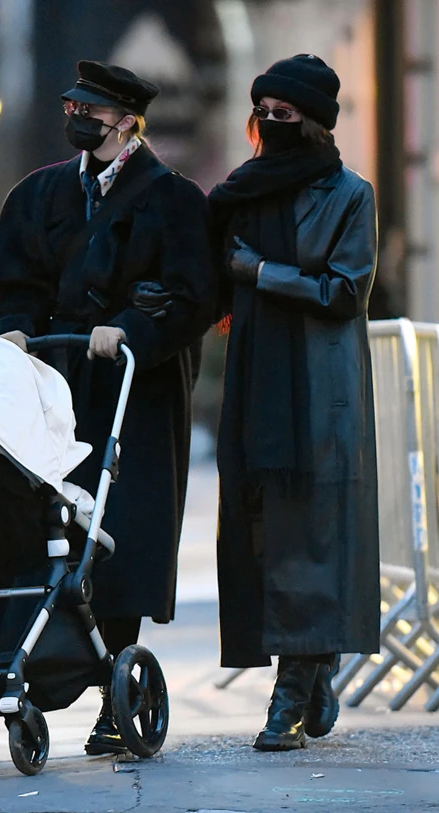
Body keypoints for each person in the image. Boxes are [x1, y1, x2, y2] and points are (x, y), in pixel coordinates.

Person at [0, 60, 214, 755]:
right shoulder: (39, 194)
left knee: (123, 525)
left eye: (91, 109)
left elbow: (192, 295)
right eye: (70, 105)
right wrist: (15, 327)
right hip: (53, 382)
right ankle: (40, 657)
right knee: (46, 520)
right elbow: (14, 280)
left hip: (130, 389)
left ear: (126, 120)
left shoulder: (172, 199)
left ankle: (117, 677)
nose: (77, 117)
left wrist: (132, 329)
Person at [209, 54, 380, 751]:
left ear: (313, 122)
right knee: (260, 531)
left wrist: (262, 272)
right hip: (255, 381)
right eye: (264, 113)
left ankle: (289, 694)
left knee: (310, 533)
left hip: (320, 388)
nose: (273, 124)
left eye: (287, 113)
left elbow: (346, 291)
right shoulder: (240, 194)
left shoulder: (350, 193)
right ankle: (314, 665)